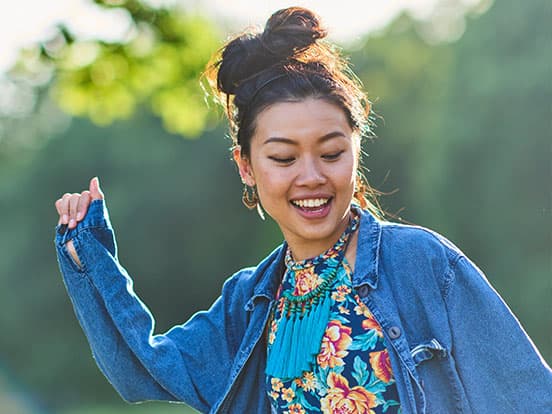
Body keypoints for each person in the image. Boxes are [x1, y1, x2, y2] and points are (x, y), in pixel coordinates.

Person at [53, 7, 551, 414]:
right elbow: (142, 370)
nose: (311, 176)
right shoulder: (249, 302)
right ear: (246, 166)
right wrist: (87, 254)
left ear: (357, 148)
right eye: (283, 158)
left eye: (332, 153)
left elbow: (530, 399)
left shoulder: (422, 265)